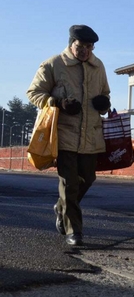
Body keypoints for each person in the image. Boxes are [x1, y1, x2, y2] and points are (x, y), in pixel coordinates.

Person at [27, 25, 111, 246]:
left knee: (88, 178)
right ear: (71, 43)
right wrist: (57, 103)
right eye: (80, 46)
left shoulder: (98, 65)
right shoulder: (54, 64)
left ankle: (61, 207)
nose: (84, 51)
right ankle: (74, 231)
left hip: (90, 135)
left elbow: (105, 93)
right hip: (64, 133)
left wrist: (104, 103)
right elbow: (34, 93)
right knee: (70, 183)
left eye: (89, 47)